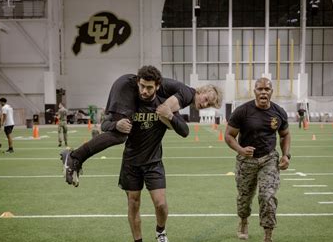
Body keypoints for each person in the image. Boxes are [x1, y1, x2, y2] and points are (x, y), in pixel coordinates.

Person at [60, 68, 222, 187]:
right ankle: (74, 157)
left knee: (118, 130)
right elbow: (163, 110)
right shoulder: (187, 94)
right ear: (202, 90)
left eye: (209, 104)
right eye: (206, 99)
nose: (205, 104)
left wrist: (173, 120)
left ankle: (76, 158)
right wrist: (173, 123)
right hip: (128, 86)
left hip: (128, 86)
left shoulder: (186, 96)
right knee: (121, 134)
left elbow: (166, 112)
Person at [105, 66, 189, 242]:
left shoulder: (162, 105)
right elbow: (104, 124)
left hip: (153, 162)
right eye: (142, 86)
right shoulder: (129, 103)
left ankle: (160, 231)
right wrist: (115, 125)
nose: (144, 91)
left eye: (149, 88)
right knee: (133, 203)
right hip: (130, 163)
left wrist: (168, 115)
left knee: (160, 204)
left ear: (157, 86)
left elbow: (185, 131)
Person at [224, 77, 291, 242]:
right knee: (245, 197)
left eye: (267, 89)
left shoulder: (279, 112)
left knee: (267, 196)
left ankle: (268, 239)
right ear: (254, 91)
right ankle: (244, 220)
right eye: (260, 89)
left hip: (269, 159)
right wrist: (240, 149)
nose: (263, 92)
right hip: (246, 161)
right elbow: (229, 135)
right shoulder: (242, 111)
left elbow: (285, 135)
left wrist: (285, 155)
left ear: (271, 91)